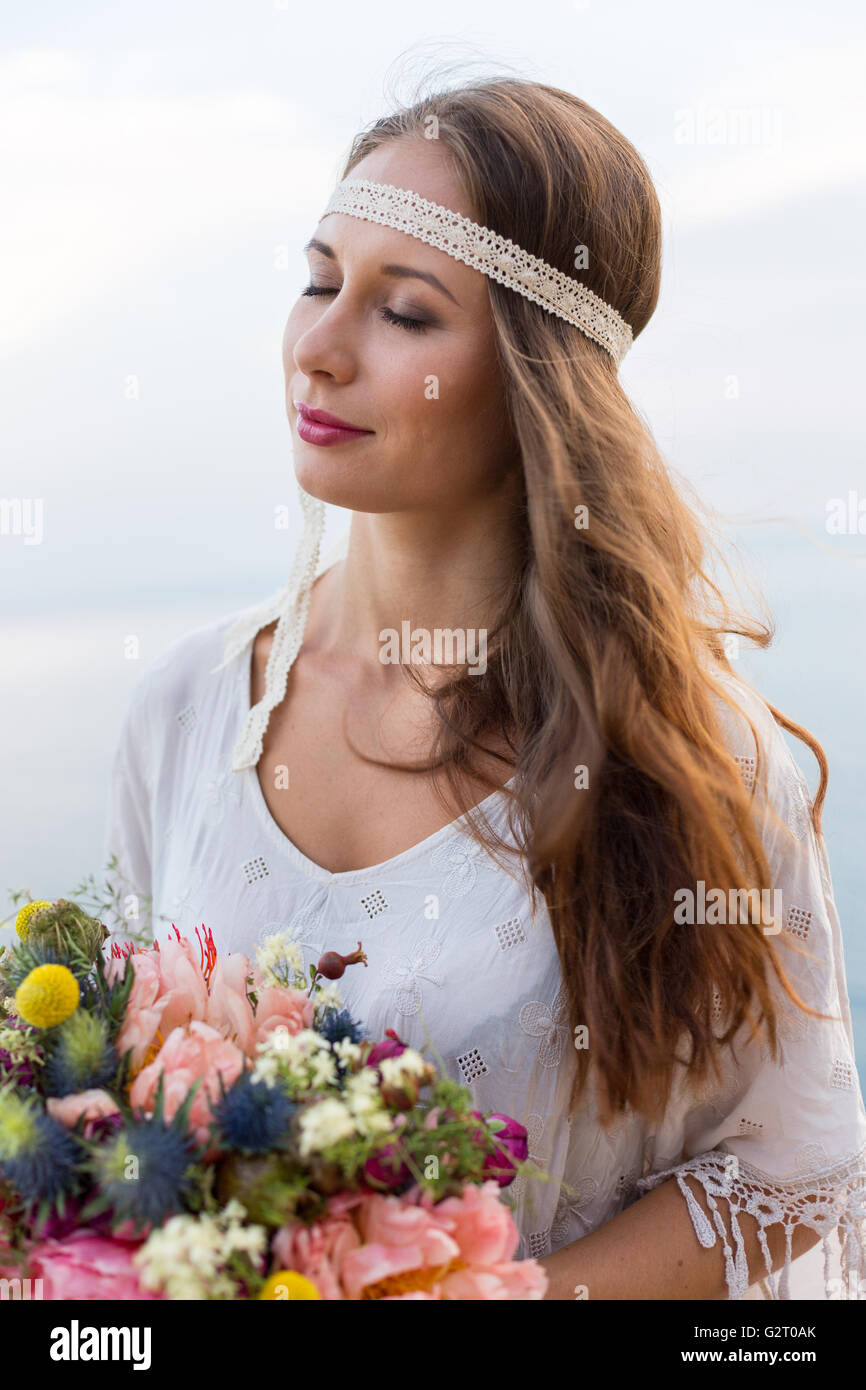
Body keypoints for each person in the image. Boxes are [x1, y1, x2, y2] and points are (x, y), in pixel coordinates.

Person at [103, 77, 866, 1300]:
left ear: (535, 375)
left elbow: (793, 1170)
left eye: (403, 312)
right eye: (316, 280)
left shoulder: (689, 752)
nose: (320, 345)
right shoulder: (188, 708)